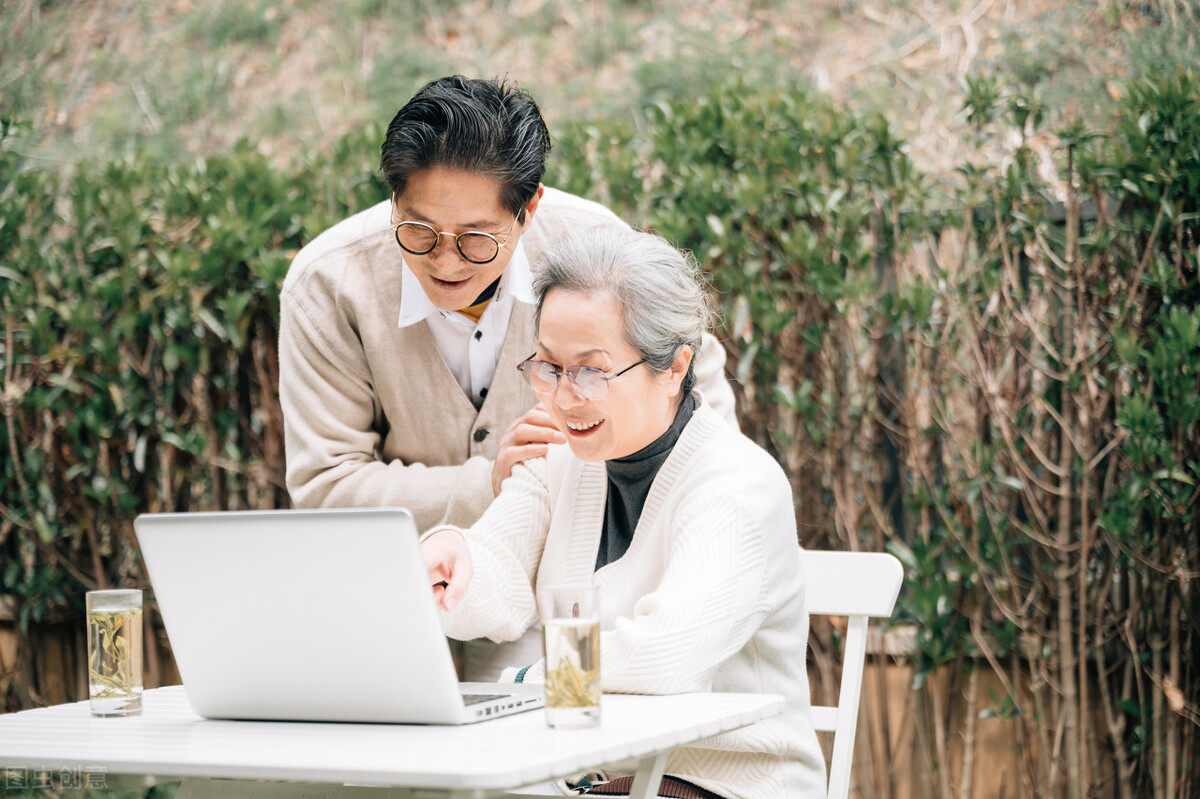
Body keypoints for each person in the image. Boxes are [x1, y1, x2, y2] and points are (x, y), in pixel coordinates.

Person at [420, 227, 827, 799]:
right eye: (549, 367)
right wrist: (453, 562)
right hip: (598, 779)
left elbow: (665, 656)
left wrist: (526, 683)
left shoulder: (738, 486)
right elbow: (500, 573)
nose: (564, 398)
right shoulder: (563, 455)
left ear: (674, 368)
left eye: (591, 371)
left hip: (718, 782)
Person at [279, 73, 736, 531]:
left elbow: (696, 395)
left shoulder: (599, 251)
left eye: (476, 239)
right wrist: (491, 484)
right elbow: (327, 487)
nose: (445, 262)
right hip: (409, 579)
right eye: (419, 231)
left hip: (580, 566)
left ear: (529, 209)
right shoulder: (326, 284)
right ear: (394, 199)